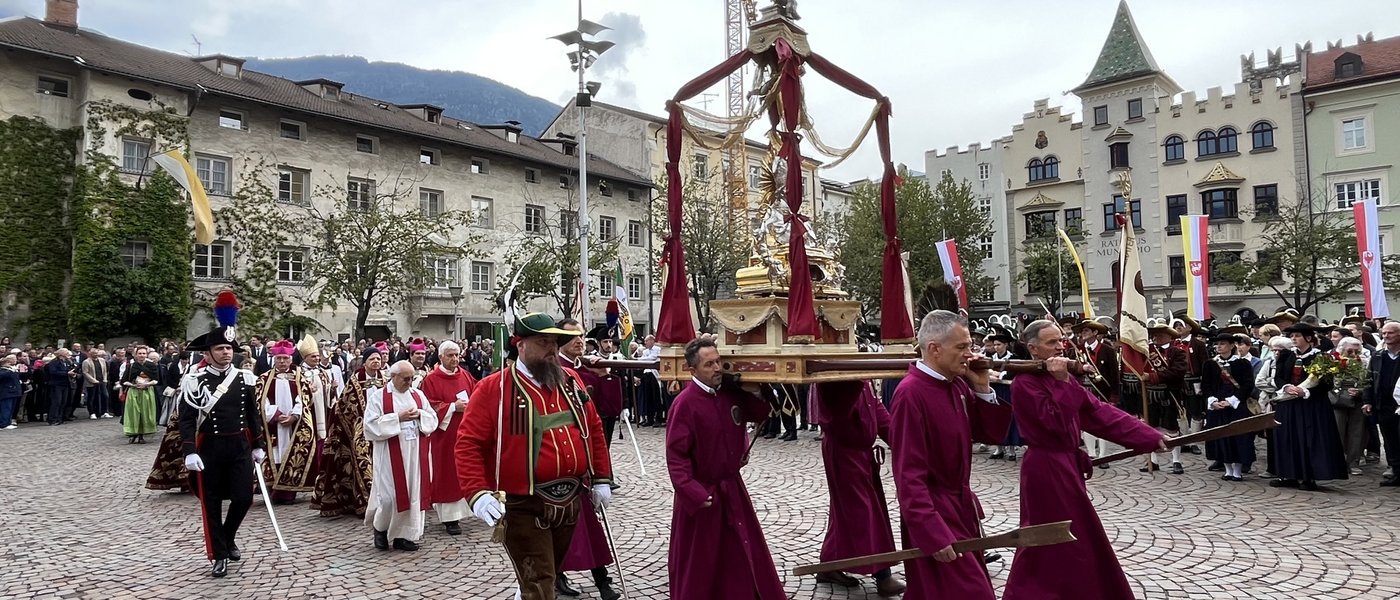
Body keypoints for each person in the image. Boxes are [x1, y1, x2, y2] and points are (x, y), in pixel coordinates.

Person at [1001, 319, 1166, 600]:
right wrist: (1063, 382)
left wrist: (1147, 436)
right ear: (1033, 349)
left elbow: (1098, 413)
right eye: (1052, 342)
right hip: (1045, 469)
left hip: (1066, 466)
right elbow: (1053, 422)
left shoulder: (1063, 380)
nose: (1061, 346)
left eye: (1061, 340)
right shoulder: (1024, 383)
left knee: (1079, 533)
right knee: (1052, 534)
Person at [456, 313, 613, 600]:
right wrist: (477, 493)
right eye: (543, 342)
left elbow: (594, 428)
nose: (552, 350)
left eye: (555, 343)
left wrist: (602, 477)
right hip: (523, 504)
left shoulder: (572, 381)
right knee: (539, 584)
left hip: (570, 501)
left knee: (542, 579)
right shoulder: (493, 389)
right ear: (520, 345)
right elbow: (468, 445)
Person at [888, 310, 1013, 600]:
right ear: (934, 349)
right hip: (935, 514)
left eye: (970, 346)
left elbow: (990, 434)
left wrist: (981, 386)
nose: (970, 354)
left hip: (961, 509)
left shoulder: (956, 384)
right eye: (962, 347)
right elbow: (909, 476)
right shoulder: (911, 394)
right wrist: (932, 531)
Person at [665, 336, 784, 599]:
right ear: (692, 369)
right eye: (709, 364)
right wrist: (693, 493)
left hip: (732, 488)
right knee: (702, 562)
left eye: (718, 362)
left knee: (740, 553)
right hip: (704, 494)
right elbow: (676, 456)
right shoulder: (684, 404)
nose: (717, 368)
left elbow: (760, 412)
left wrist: (754, 389)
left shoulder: (730, 393)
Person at [178, 299, 267, 578]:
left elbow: (253, 415)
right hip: (210, 447)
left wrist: (259, 444)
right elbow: (187, 419)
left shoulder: (245, 379)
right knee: (212, 502)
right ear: (209, 352)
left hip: (239, 444)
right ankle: (218, 554)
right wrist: (189, 451)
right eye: (221, 348)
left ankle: (227, 538)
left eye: (229, 348)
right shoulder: (195, 380)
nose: (227, 353)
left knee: (243, 498)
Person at [810, 379, 906, 597]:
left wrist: (898, 437)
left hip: (859, 451)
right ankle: (882, 573)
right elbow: (838, 414)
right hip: (845, 451)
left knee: (845, 510)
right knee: (863, 510)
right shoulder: (836, 379)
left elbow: (875, 406)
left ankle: (830, 563)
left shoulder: (860, 376)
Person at [553, 319, 621, 600]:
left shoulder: (584, 369)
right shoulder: (552, 369)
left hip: (585, 461)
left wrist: (605, 375)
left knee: (591, 528)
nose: (580, 341)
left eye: (581, 336)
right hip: (557, 465)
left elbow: (607, 412)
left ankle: (602, 579)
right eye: (573, 337)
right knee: (559, 528)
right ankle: (557, 575)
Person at [364, 360, 439, 551]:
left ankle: (404, 536)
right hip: (390, 454)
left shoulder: (418, 395)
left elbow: (433, 418)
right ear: (393, 377)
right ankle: (380, 529)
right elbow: (370, 426)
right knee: (389, 497)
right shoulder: (379, 397)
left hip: (415, 452)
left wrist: (421, 415)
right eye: (405, 378)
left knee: (413, 495)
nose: (409, 382)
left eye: (411, 378)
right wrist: (398, 418)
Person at [1270, 323, 1349, 491]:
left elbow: (1326, 384)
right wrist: (1286, 387)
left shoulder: (1321, 357)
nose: (1293, 339)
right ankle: (1288, 474)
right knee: (1288, 437)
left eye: (1297, 336)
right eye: (1292, 336)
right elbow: (1278, 377)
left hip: (1311, 405)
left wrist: (1305, 391)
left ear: (1308, 338)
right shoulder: (1285, 356)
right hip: (1289, 404)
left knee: (1308, 438)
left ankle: (1309, 476)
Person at [314, 342, 388, 518]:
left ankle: (381, 501)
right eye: (372, 359)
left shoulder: (386, 379)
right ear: (365, 362)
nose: (376, 362)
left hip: (382, 428)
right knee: (363, 466)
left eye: (378, 358)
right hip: (360, 430)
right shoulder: (355, 380)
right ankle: (365, 502)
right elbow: (345, 405)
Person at [420, 339, 477, 535]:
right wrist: (453, 407)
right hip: (443, 435)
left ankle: (465, 510)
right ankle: (450, 518)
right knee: (446, 473)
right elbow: (427, 405)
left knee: (464, 470)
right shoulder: (431, 379)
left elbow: (477, 394)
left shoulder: (466, 376)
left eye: (457, 355)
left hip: (465, 431)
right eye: (450, 355)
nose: (455, 359)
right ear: (441, 357)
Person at [258, 340, 318, 504]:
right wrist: (276, 415)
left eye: (285, 358)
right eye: (279, 359)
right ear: (274, 359)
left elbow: (304, 399)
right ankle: (273, 490)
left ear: (291, 359)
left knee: (291, 454)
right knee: (275, 455)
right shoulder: (264, 378)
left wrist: (294, 416)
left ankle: (287, 493)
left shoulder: (300, 378)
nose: (282, 362)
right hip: (273, 426)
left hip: (294, 425)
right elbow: (261, 401)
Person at [1200, 332, 1257, 483]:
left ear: (1232, 346)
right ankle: (1227, 469)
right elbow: (1205, 385)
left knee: (1239, 437)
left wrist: (1232, 400)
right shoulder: (1210, 364)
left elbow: (1248, 385)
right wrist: (1212, 400)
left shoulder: (1242, 363)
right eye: (1217, 344)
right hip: (1218, 406)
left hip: (1236, 406)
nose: (1219, 347)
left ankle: (1237, 471)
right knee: (1221, 437)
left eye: (1223, 344)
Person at [1363, 321, 1400, 487]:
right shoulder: (1378, 356)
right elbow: (1369, 380)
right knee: (1390, 439)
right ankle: (1396, 471)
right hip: (1384, 404)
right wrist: (1367, 401)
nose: (1386, 336)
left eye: (1390, 333)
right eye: (1383, 333)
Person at [122, 347, 160, 443]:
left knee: (145, 413)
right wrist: (134, 385)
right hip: (134, 392)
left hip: (147, 392)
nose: (142, 355)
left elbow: (156, 380)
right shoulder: (131, 366)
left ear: (146, 354)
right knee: (134, 413)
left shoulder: (151, 365)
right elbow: (124, 380)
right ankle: (133, 433)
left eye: (143, 353)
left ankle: (141, 435)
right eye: (140, 353)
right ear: (136, 355)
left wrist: (146, 384)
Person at [44, 348, 73, 426]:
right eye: (66, 352)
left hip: (65, 384)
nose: (68, 354)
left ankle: (60, 418)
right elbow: (53, 372)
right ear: (61, 354)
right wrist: (66, 373)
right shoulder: (54, 362)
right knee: (56, 402)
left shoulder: (66, 362)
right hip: (56, 384)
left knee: (63, 402)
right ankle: (52, 419)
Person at [82, 349, 110, 420]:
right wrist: (93, 380)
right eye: (94, 353)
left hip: (102, 381)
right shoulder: (86, 362)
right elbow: (85, 372)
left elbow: (105, 371)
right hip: (92, 383)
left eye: (96, 353)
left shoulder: (102, 360)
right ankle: (92, 413)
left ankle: (104, 412)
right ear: (90, 354)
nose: (95, 355)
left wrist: (105, 379)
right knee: (92, 398)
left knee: (105, 396)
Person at [0, 353, 22, 430]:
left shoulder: (13, 369)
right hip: (6, 391)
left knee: (11, 408)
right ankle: (3, 423)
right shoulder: (3, 370)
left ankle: (8, 422)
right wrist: (9, 371)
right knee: (6, 408)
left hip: (14, 391)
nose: (15, 360)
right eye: (13, 359)